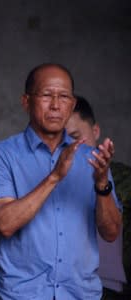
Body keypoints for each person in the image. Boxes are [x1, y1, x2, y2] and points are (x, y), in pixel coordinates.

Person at [0, 63, 122, 299]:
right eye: (46, 95)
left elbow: (111, 233)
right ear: (26, 101)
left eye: (64, 96)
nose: (55, 105)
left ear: (72, 104)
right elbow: (5, 223)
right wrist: (55, 177)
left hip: (80, 294)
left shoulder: (92, 160)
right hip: (20, 295)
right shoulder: (2, 154)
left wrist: (102, 186)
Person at [66, 95, 130, 299]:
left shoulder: (123, 179)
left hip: (106, 284)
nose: (69, 147)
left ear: (95, 131)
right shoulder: (47, 176)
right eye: (58, 138)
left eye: (76, 137)